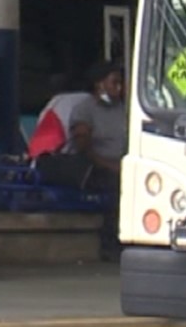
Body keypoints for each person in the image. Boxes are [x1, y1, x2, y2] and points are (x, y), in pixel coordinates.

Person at [35, 61, 127, 260]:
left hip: (123, 164)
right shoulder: (85, 109)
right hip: (96, 165)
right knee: (117, 189)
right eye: (114, 83)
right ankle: (110, 245)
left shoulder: (123, 110)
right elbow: (83, 146)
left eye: (121, 83)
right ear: (100, 84)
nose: (119, 88)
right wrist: (110, 165)